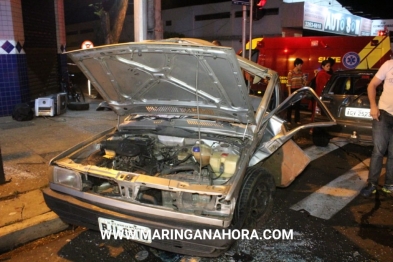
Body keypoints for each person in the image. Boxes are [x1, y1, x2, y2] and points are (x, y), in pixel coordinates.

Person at [360, 59, 393, 197]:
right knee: (378, 151)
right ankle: (372, 184)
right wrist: (373, 106)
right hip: (383, 114)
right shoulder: (388, 65)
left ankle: (389, 185)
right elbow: (372, 85)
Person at [310, 60, 331, 127]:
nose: (329, 67)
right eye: (327, 66)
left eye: (329, 66)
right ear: (323, 66)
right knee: (318, 113)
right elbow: (323, 86)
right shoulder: (323, 74)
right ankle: (313, 128)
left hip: (318, 95)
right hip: (320, 95)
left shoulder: (321, 73)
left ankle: (312, 127)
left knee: (316, 113)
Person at [286, 58, 306, 125]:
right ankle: (288, 120)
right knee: (290, 106)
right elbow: (289, 84)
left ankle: (297, 120)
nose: (301, 66)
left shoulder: (301, 73)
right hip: (292, 90)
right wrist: (289, 93)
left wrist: (305, 82)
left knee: (298, 106)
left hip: (299, 90)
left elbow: (303, 83)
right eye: (300, 65)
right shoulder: (291, 73)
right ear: (296, 65)